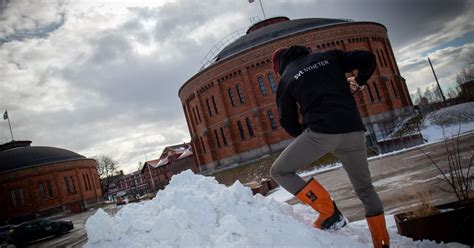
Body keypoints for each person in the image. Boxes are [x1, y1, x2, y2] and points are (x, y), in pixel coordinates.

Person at [270, 45, 389, 248]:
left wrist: (304, 136)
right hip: (354, 131)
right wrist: (359, 82)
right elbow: (368, 58)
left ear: (279, 67)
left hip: (321, 133)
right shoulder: (329, 56)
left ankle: (328, 212)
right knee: (365, 189)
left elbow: (287, 121)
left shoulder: (287, 78)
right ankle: (382, 243)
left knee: (280, 171)